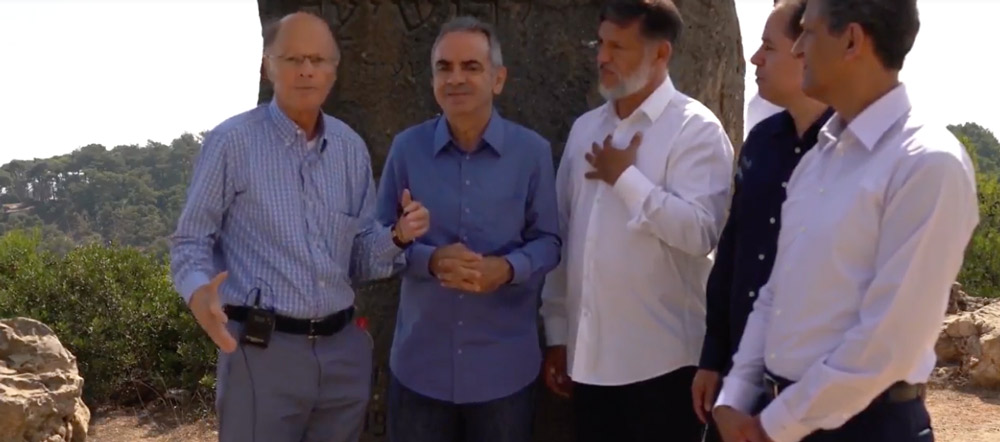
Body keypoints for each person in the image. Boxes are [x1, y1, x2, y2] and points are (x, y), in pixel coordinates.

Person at [712, 0, 979, 441]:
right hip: (780, 417)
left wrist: (772, 426)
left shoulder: (927, 163)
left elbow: (887, 343)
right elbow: (775, 293)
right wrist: (736, 395)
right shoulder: (818, 159)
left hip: (866, 428)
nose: (798, 48)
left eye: (808, 32)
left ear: (852, 40)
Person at [169, 11, 430, 442]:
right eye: (292, 59)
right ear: (267, 67)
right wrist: (198, 292)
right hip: (261, 352)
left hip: (342, 353)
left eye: (318, 59)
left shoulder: (349, 149)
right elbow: (190, 241)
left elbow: (358, 259)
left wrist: (398, 236)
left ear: (333, 71)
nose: (306, 70)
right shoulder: (232, 143)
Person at [539, 0, 735, 440]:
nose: (602, 57)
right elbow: (564, 237)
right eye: (601, 44)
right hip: (589, 366)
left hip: (665, 369)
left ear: (661, 53)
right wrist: (558, 333)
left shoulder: (695, 130)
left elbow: (700, 232)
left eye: (618, 47)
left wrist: (625, 179)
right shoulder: (585, 130)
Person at [374, 16, 561, 442]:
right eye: (444, 67)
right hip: (420, 369)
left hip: (503, 372)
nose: (455, 78)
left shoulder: (531, 153)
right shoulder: (407, 149)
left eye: (471, 67)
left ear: (498, 79)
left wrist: (508, 269)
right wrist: (429, 260)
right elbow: (375, 240)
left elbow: (550, 242)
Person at [691, 1, 833, 441]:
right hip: (742, 380)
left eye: (768, 47)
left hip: (816, 396)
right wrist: (714, 358)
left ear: (807, 51)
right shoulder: (761, 142)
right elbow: (733, 252)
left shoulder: (853, 153)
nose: (754, 59)